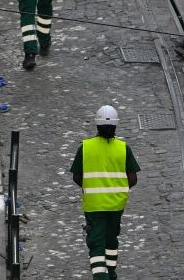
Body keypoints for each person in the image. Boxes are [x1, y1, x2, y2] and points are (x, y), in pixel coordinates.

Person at [70, 105, 140, 280]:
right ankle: (112, 273)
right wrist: (118, 191)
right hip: (117, 205)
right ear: (115, 126)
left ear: (97, 126)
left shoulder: (85, 148)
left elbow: (77, 176)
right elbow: (133, 179)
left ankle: (101, 277)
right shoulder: (124, 148)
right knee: (111, 241)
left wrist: (91, 188)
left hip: (94, 206)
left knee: (96, 244)